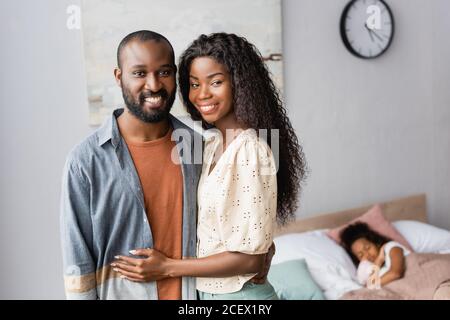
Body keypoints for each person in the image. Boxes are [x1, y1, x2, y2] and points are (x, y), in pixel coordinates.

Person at [60, 30, 272, 300]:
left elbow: (230, 222)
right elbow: (77, 259)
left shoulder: (199, 146)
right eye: (139, 73)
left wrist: (260, 250)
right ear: (118, 77)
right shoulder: (85, 161)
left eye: (164, 72)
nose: (154, 85)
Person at [112, 33, 307, 300]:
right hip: (208, 294)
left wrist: (167, 267)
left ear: (240, 83)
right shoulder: (212, 144)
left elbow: (250, 261)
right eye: (194, 84)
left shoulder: (250, 149)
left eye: (215, 82)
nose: (202, 94)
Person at [340, 222, 410, 287]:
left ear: (376, 243)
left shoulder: (391, 247)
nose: (367, 255)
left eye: (367, 248)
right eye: (361, 255)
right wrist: (379, 261)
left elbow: (395, 273)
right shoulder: (373, 270)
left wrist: (368, 288)